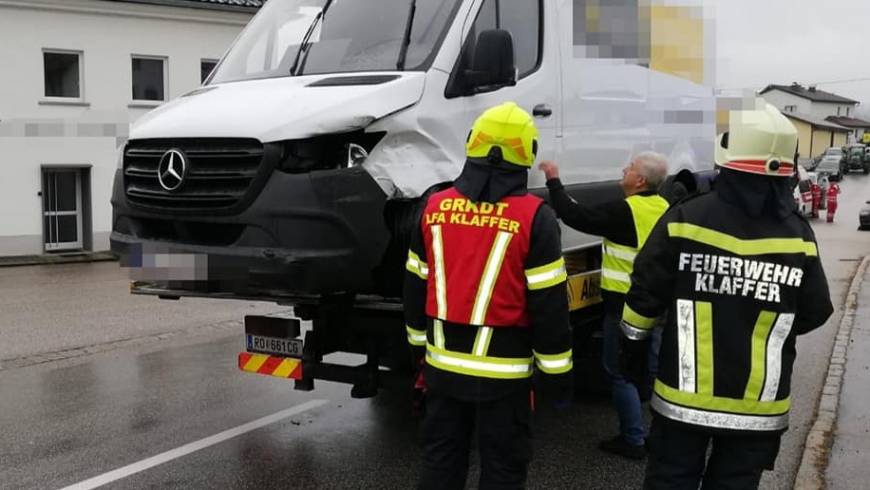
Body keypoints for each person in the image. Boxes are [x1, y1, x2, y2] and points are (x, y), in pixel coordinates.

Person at [619, 102, 834, 489]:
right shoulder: (798, 235)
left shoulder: (686, 218)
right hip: (758, 411)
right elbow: (816, 310)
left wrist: (631, 349)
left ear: (726, 159)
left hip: (682, 402)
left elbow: (644, 293)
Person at [403, 102, 573, 490]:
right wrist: (557, 378)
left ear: (471, 145)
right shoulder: (535, 217)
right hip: (506, 380)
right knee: (503, 472)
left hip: (442, 372)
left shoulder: (433, 207)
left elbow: (414, 289)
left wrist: (419, 353)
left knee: (440, 467)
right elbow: (550, 309)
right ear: (526, 154)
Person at [539, 151, 670, 459]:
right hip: (659, 303)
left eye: (630, 167)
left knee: (620, 371)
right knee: (653, 370)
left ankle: (633, 440)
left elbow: (575, 215)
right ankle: (662, 437)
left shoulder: (627, 211)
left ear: (639, 180)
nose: (623, 169)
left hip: (625, 306)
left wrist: (553, 180)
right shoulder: (666, 207)